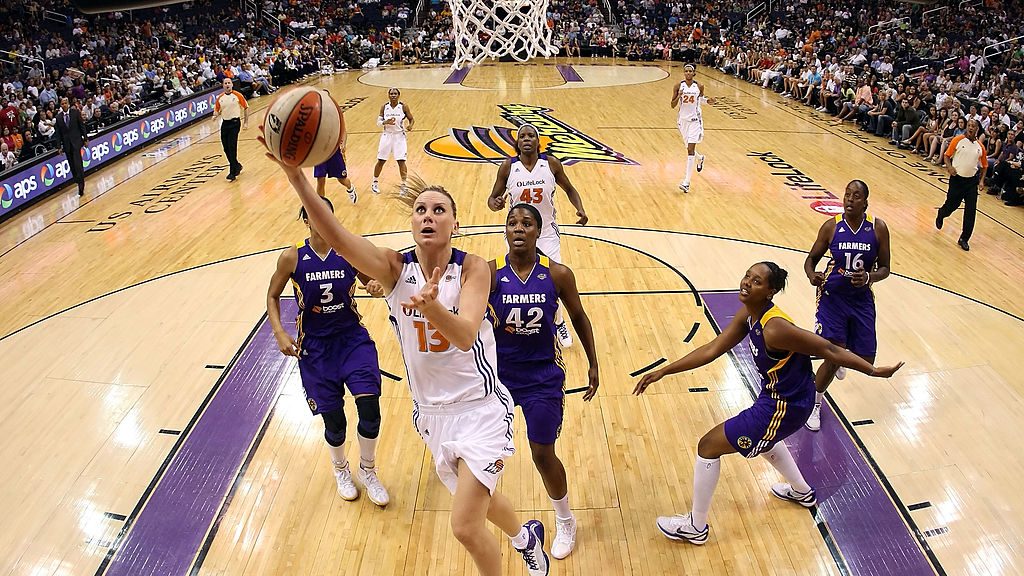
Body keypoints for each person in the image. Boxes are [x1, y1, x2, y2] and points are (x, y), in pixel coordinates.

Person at [260, 128, 550, 576]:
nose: (428, 216)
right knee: (482, 499)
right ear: (412, 223)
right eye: (421, 210)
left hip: (481, 410)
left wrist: (433, 307)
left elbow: (466, 336)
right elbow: (336, 235)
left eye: (440, 210)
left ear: (455, 223)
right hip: (431, 414)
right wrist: (295, 176)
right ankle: (525, 536)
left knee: (466, 527)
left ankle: (523, 553)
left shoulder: (474, 269)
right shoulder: (394, 268)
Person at [633, 262, 903, 545]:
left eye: (757, 281)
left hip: (786, 406)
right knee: (765, 440)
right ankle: (801, 491)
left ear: (771, 292)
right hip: (777, 396)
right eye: (747, 275)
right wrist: (664, 370)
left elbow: (829, 348)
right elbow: (713, 349)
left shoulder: (775, 328)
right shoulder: (749, 315)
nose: (747, 282)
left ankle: (695, 527)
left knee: (708, 446)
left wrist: (873, 371)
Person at [489, 203, 600, 560]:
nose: (518, 228)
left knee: (541, 452)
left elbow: (580, 317)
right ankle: (485, 517)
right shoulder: (490, 273)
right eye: (512, 222)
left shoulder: (558, 274)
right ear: (505, 231)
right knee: (484, 453)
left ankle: (565, 519)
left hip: (542, 376)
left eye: (526, 223)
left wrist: (594, 364)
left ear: (539, 231)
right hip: (499, 376)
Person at [266, 196, 390, 505]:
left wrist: (374, 285)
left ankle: (368, 470)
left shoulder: (348, 251)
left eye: (327, 215)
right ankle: (340, 469)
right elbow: (272, 295)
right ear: (307, 220)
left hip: (352, 340)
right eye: (314, 215)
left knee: (370, 409)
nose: (321, 220)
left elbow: (371, 280)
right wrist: (280, 331)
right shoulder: (292, 257)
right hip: (316, 349)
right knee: (335, 423)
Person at [486, 124, 589, 348]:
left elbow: (570, 189)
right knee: (521, 279)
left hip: (547, 233)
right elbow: (492, 199)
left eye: (531, 135)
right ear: (517, 142)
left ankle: (558, 322)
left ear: (538, 140)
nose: (526, 139)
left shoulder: (550, 164)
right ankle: (521, 322)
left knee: (553, 278)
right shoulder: (507, 167)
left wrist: (579, 208)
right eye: (522, 136)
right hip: (519, 233)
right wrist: (496, 203)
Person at [802, 180, 890, 431]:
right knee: (833, 354)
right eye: (847, 194)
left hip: (861, 299)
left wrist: (869, 277)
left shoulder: (878, 228)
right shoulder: (831, 226)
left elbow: (885, 269)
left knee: (866, 358)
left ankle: (841, 359)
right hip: (832, 296)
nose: (850, 199)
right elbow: (811, 259)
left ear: (866, 202)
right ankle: (815, 404)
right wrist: (811, 275)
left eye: (856, 196)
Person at [937, 118, 988, 251]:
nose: (971, 128)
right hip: (957, 180)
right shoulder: (957, 140)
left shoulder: (980, 146)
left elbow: (985, 165)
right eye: (969, 125)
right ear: (967, 127)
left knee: (971, 211)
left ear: (977, 129)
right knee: (952, 205)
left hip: (971, 182)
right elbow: (947, 156)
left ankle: (964, 238)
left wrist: (981, 180)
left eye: (973, 126)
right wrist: (949, 167)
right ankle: (942, 213)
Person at [672, 63, 714, 193]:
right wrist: (679, 95)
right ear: (684, 73)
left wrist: (708, 101)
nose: (688, 73)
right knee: (688, 147)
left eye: (690, 71)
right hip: (682, 120)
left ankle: (686, 182)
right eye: (686, 71)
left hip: (695, 121)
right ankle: (700, 158)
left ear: (694, 73)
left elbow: (699, 100)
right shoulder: (678, 86)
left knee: (690, 150)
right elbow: (672, 105)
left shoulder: (699, 86)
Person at [372, 88, 414, 195]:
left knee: (401, 161)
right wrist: (386, 122)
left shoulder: (403, 106)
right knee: (381, 160)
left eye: (395, 93)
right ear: (388, 95)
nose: (393, 95)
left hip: (399, 136)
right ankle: (374, 182)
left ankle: (404, 185)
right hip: (387, 136)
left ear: (399, 95)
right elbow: (378, 122)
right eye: (391, 93)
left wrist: (410, 126)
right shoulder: (384, 107)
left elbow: (411, 119)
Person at [213, 77, 248, 181]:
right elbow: (217, 110)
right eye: (225, 83)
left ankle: (232, 172)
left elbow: (246, 107)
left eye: (229, 83)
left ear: (232, 85)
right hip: (225, 123)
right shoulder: (220, 98)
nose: (227, 85)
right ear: (223, 86)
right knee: (226, 148)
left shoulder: (238, 95)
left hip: (235, 123)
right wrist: (215, 115)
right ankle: (236, 165)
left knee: (232, 146)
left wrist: (246, 122)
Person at [55, 97, 88, 196]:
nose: (64, 105)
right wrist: (59, 147)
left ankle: (81, 186)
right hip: (67, 145)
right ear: (61, 105)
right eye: (62, 104)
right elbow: (58, 134)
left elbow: (81, 126)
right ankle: (78, 180)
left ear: (68, 104)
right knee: (72, 166)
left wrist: (85, 138)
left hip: (76, 142)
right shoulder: (58, 118)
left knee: (78, 165)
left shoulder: (75, 112)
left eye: (65, 103)